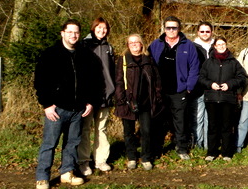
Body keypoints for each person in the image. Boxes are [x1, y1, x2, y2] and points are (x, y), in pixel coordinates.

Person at [34, 19, 97, 189]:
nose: (73, 35)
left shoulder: (85, 55)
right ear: (63, 33)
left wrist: (90, 101)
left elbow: (94, 81)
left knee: (72, 143)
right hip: (57, 109)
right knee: (50, 143)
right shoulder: (50, 54)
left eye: (76, 32)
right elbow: (40, 81)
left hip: (78, 109)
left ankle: (67, 172)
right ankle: (42, 177)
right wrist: (47, 104)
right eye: (70, 32)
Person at [149, 16, 200, 160]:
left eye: (174, 28)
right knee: (159, 121)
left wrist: (189, 86)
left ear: (179, 29)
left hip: (179, 90)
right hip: (160, 91)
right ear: (164, 29)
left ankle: (182, 148)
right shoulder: (155, 45)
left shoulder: (188, 46)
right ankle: (156, 149)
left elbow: (194, 68)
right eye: (168, 28)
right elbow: (148, 66)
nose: (171, 30)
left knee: (180, 121)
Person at [115, 34, 164, 170]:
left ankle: (146, 157)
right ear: (127, 45)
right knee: (128, 132)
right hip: (127, 101)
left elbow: (157, 80)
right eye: (131, 42)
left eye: (137, 42)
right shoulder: (123, 60)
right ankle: (131, 157)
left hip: (146, 101)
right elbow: (119, 81)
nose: (134, 44)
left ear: (142, 44)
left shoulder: (148, 59)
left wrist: (157, 95)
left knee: (146, 131)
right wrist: (121, 99)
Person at [199, 37, 248, 162]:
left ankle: (227, 153)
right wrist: (210, 84)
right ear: (214, 46)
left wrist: (230, 85)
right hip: (212, 98)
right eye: (218, 44)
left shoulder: (233, 62)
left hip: (228, 99)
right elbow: (201, 78)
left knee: (227, 127)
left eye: (223, 44)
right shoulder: (208, 62)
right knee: (213, 126)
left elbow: (242, 77)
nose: (221, 46)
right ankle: (211, 152)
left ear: (226, 45)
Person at [77, 17, 115, 175]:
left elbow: (111, 70)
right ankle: (84, 161)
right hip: (87, 96)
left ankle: (100, 160)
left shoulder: (109, 47)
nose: (102, 30)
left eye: (104, 28)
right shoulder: (83, 45)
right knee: (85, 129)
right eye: (99, 27)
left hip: (105, 94)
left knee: (102, 129)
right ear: (93, 28)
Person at [191, 21, 215, 150]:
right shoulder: (192, 47)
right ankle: (197, 144)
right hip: (198, 88)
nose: (205, 34)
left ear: (211, 32)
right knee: (198, 117)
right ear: (198, 32)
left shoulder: (217, 46)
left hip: (213, 89)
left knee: (210, 119)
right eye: (202, 31)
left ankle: (208, 145)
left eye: (207, 31)